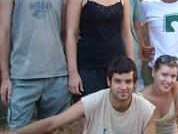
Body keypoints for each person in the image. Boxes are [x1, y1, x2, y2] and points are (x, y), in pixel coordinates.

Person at [0, 0, 70, 129]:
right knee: (19, 131)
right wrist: (5, 77)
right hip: (22, 77)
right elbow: (4, 34)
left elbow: (67, 35)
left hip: (57, 76)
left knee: (52, 130)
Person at [8, 56, 157, 134]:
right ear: (108, 81)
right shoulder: (93, 101)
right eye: (117, 81)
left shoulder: (146, 110)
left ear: (135, 84)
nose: (123, 87)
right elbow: (54, 122)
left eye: (128, 82)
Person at [66, 0, 134, 100]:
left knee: (117, 113)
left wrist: (131, 68)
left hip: (117, 67)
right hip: (88, 66)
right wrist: (73, 72)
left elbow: (126, 34)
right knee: (89, 116)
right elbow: (71, 34)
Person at [111, 0, 145, 91]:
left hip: (131, 53)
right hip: (108, 53)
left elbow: (137, 27)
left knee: (134, 92)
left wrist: (141, 51)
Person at [140, 55, 178, 134]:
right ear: (154, 73)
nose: (169, 80)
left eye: (173, 76)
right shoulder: (141, 98)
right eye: (164, 74)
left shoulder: (176, 87)